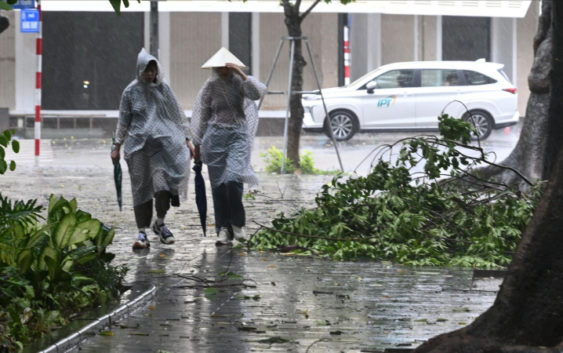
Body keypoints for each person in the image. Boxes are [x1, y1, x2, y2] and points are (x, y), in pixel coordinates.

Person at [111, 48, 194, 250]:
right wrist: (116, 146)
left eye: (152, 70)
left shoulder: (164, 90)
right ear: (139, 70)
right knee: (141, 189)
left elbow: (178, 115)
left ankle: (161, 222)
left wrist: (188, 140)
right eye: (146, 71)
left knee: (162, 187)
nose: (149, 74)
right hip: (137, 148)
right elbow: (123, 122)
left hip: (161, 149)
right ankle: (142, 232)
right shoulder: (130, 92)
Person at [191, 47, 266, 246]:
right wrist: (197, 145)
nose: (224, 71)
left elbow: (257, 93)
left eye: (227, 67)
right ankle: (224, 228)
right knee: (218, 185)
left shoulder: (240, 82)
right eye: (220, 67)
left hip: (238, 135)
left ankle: (238, 224)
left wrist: (241, 74)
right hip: (215, 137)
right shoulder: (210, 86)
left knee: (233, 179)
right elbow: (201, 115)